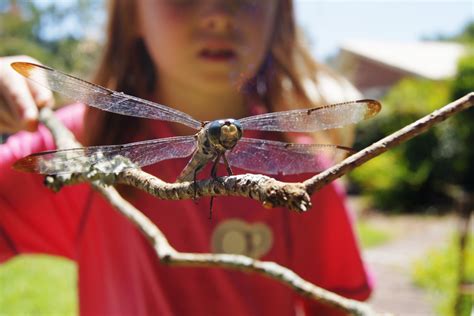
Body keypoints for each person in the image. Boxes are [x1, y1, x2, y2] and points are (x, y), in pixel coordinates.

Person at [0, 1, 373, 315]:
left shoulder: (305, 179)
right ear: (131, 15)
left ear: (281, 17)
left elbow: (336, 306)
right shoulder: (82, 144)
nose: (219, 14)